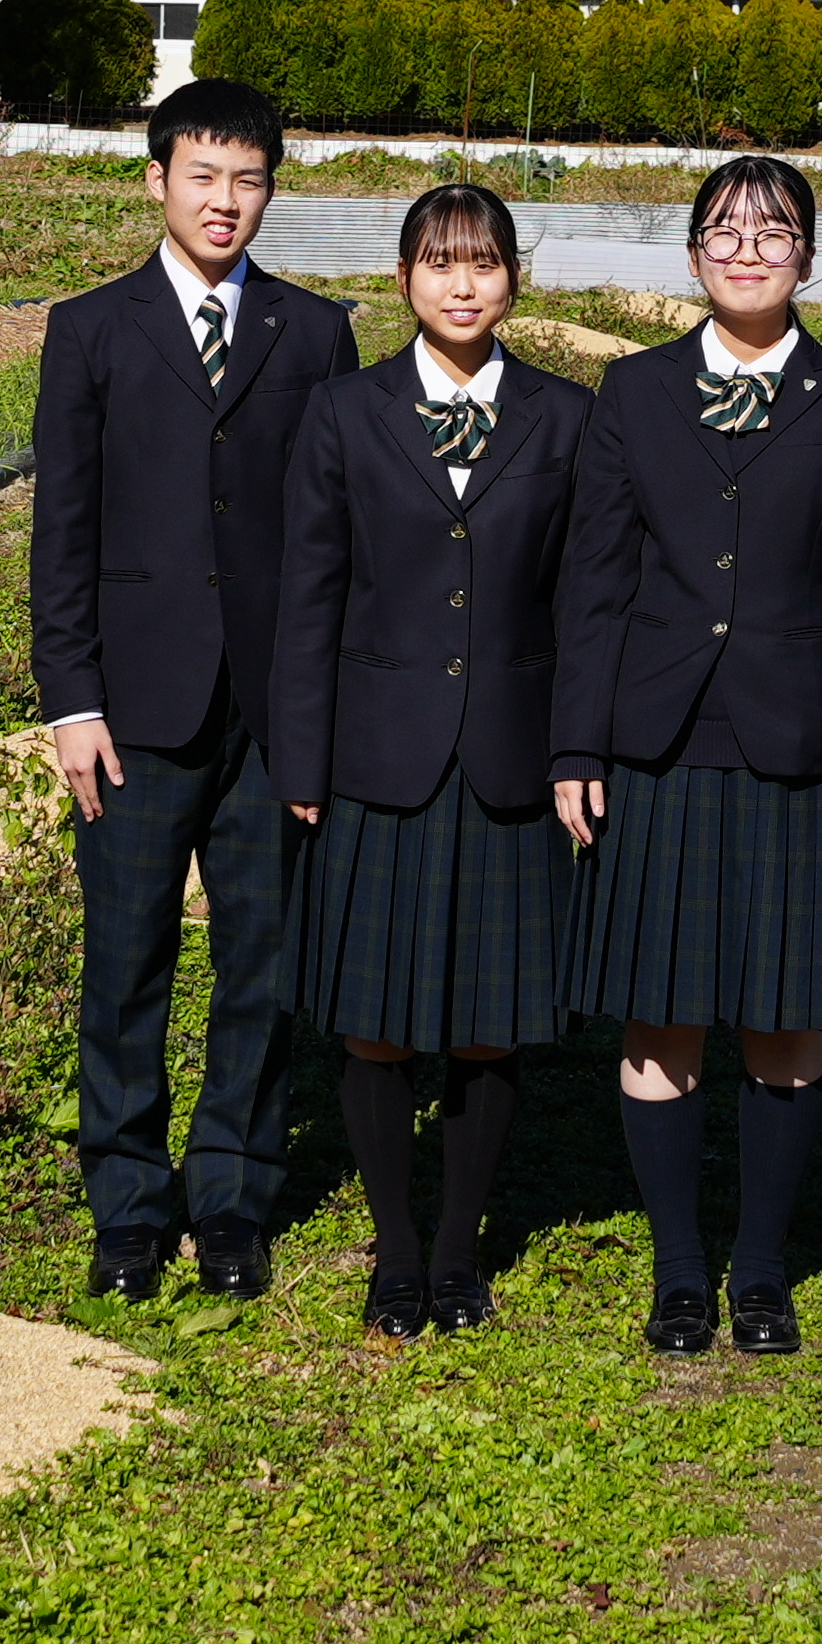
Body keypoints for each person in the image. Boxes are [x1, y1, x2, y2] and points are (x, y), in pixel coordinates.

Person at [551, 152, 822, 1357]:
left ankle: (763, 1270)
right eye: (725, 231)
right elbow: (592, 583)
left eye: (773, 232)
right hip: (656, 740)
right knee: (659, 1018)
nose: (748, 250)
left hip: (798, 742)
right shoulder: (633, 391)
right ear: (692, 253)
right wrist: (576, 743)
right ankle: (680, 1270)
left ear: (809, 254)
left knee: (784, 1017)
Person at [27, 74, 354, 1300]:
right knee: (127, 958)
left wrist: (325, 715)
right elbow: (64, 533)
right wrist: (73, 701)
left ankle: (230, 1194)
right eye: (203, 176)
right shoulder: (93, 331)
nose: (226, 202)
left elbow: (337, 536)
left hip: (273, 715)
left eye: (249, 178)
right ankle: (126, 1197)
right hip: (135, 712)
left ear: (273, 188)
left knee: (261, 962)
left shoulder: (314, 333)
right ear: (157, 180)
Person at [269, 180, 591, 1340]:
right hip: (376, 756)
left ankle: (460, 1252)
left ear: (515, 278)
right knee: (377, 1019)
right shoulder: (344, 412)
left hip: (509, 757)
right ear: (403, 278)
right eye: (441, 262)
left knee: (490, 1019)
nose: (464, 284)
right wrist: (301, 755)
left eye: (486, 262)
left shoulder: (564, 417)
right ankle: (393, 1252)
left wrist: (576, 747)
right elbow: (308, 597)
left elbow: (586, 601)